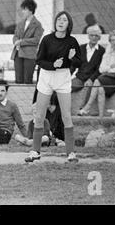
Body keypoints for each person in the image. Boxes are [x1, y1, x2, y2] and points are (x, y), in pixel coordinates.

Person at [26, 11, 81, 163]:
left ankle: (71, 153)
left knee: (66, 116)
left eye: (64, 20)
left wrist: (71, 59)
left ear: (68, 24)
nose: (61, 22)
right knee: (39, 116)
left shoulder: (72, 41)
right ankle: (35, 151)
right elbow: (39, 60)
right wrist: (52, 65)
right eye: (59, 19)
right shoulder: (47, 39)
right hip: (46, 76)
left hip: (63, 77)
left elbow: (79, 63)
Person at [78, 29, 115, 117]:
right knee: (100, 89)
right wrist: (110, 67)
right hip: (106, 78)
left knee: (97, 81)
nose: (114, 42)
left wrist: (108, 68)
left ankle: (87, 107)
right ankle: (101, 116)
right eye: (112, 40)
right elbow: (101, 69)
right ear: (110, 41)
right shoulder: (108, 51)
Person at [11, 0, 44, 84]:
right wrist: (15, 41)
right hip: (18, 54)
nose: (22, 11)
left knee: (27, 80)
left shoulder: (37, 24)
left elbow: (36, 40)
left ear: (30, 10)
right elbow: (15, 36)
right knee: (18, 80)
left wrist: (21, 42)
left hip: (29, 55)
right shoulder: (20, 23)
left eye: (24, 9)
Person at [71, 25, 105, 94]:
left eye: (96, 36)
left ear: (99, 38)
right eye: (92, 35)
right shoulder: (81, 48)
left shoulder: (102, 51)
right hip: (79, 78)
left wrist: (91, 80)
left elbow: (100, 69)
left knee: (89, 91)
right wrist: (67, 75)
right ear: (88, 36)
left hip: (92, 80)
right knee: (65, 88)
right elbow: (74, 64)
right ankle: (55, 104)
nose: (94, 38)